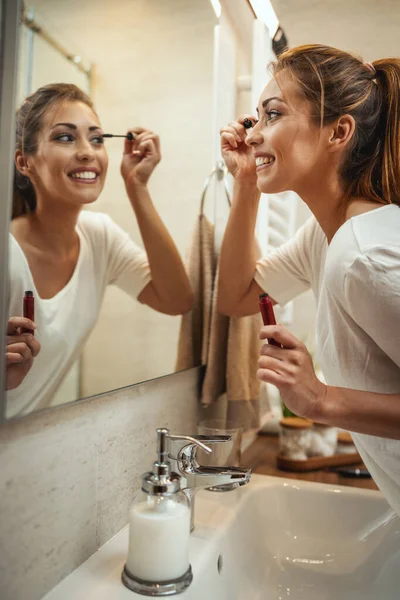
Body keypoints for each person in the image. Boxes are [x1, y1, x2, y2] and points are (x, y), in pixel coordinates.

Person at [218, 44, 400, 515]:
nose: (253, 134)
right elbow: (236, 297)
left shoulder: (363, 254)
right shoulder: (325, 237)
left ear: (339, 131)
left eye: (272, 115)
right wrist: (244, 185)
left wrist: (321, 399)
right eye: (255, 118)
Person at [6, 83, 193, 417]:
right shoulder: (7, 253)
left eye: (96, 139)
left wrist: (137, 186)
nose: (87, 152)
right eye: (65, 137)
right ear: (24, 162)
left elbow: (177, 299)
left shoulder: (99, 236)